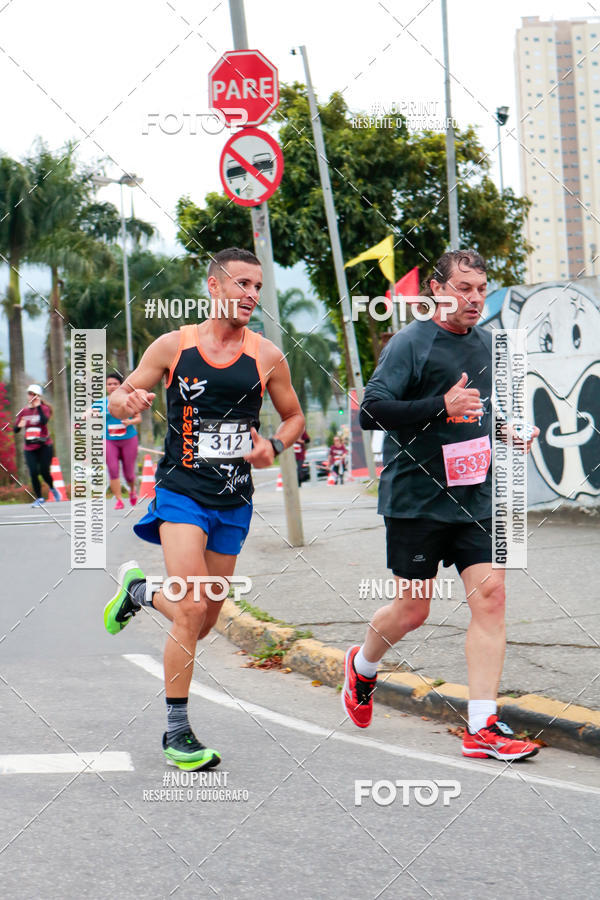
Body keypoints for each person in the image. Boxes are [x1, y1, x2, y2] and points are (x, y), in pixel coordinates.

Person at [103, 247, 305, 771]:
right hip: (181, 490)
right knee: (191, 608)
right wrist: (127, 403)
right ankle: (177, 732)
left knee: (204, 618)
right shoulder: (173, 346)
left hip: (234, 500)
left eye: (258, 287)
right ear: (214, 287)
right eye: (242, 284)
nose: (251, 296)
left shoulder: (267, 356)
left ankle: (140, 591)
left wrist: (274, 449)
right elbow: (120, 399)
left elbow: (293, 418)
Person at [343, 249, 541, 761]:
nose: (474, 299)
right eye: (464, 288)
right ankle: (363, 666)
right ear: (437, 289)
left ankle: (482, 726)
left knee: (492, 597)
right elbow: (371, 411)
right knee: (413, 609)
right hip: (416, 499)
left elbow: (483, 412)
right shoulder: (412, 342)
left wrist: (510, 431)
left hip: (475, 496)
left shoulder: (489, 345)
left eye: (481, 289)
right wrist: (440, 406)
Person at [94, 373, 141, 510]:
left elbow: (138, 419)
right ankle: (119, 500)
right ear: (106, 387)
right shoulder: (101, 402)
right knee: (113, 469)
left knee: (129, 474)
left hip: (128, 439)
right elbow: (90, 412)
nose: (112, 386)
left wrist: (130, 421)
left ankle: (132, 491)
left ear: (120, 385)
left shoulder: (129, 400)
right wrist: (87, 416)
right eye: (109, 384)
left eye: (115, 384)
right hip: (109, 440)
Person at [13, 384, 61, 507]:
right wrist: (19, 425)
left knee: (44, 471)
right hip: (29, 447)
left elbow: (45, 421)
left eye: (34, 394)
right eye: (30, 394)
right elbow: (16, 429)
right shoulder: (24, 411)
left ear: (38, 396)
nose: (31, 396)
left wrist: (38, 406)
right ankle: (39, 498)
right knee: (33, 472)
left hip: (44, 445)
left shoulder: (44, 408)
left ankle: (52, 488)